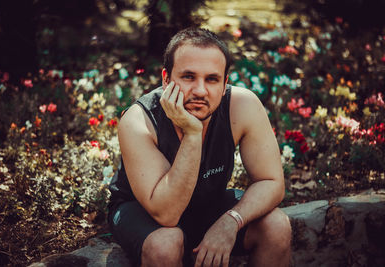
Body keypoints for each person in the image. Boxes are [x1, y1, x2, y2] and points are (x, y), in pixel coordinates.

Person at [108, 28, 291, 267]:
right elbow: (167, 214)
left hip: (207, 203)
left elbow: (272, 183)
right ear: (166, 79)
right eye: (188, 77)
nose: (200, 91)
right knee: (165, 244)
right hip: (145, 212)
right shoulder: (139, 121)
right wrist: (192, 133)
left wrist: (231, 221)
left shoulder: (243, 106)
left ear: (225, 83)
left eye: (212, 79)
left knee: (276, 225)